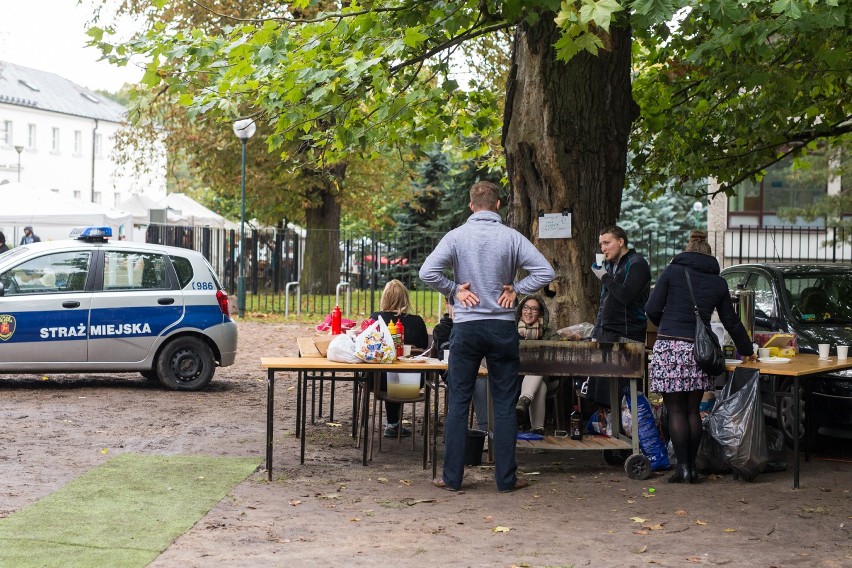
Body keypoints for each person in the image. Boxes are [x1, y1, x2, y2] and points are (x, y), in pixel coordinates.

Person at [419, 180, 555, 493]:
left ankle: (452, 478)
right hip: (502, 327)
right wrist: (516, 289)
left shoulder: (455, 237)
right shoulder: (511, 237)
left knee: (458, 402)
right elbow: (545, 272)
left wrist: (454, 290)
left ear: (471, 206)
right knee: (505, 404)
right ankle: (506, 479)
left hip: (467, 328)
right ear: (497, 205)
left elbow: (427, 272)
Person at [645, 230, 756, 484]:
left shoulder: (673, 271)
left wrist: (668, 326)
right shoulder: (718, 282)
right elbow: (731, 321)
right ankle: (693, 469)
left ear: (688, 249)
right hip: (699, 351)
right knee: (693, 410)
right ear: (708, 255)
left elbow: (651, 308)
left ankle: (681, 469)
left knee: (675, 410)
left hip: (670, 347)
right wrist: (747, 350)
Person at [588, 225, 651, 407]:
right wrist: (596, 331)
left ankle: (627, 429)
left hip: (627, 333)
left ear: (621, 241)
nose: (603, 248)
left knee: (624, 390)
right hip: (607, 331)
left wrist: (605, 278)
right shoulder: (610, 266)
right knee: (602, 388)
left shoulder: (637, 263)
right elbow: (604, 301)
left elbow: (626, 295)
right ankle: (607, 425)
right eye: (601, 245)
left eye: (607, 243)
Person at [369, 279, 429, 438]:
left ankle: (391, 424)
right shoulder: (416, 322)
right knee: (398, 369)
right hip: (412, 380)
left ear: (384, 298)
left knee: (390, 369)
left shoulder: (375, 318)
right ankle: (393, 424)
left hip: (378, 380)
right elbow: (424, 347)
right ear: (405, 298)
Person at [432, 298, 489, 435]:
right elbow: (445, 351)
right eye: (454, 303)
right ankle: (457, 432)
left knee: (482, 381)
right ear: (447, 305)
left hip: (475, 370)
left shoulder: (474, 325)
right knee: (471, 380)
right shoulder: (442, 328)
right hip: (451, 370)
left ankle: (485, 431)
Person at [514, 295, 558, 434]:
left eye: (534, 309)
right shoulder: (511, 331)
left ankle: (524, 401)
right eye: (526, 308)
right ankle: (537, 430)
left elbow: (555, 355)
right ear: (520, 310)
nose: (529, 312)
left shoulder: (549, 332)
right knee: (541, 387)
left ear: (540, 312)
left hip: (544, 375)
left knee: (538, 367)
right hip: (516, 375)